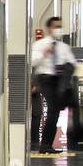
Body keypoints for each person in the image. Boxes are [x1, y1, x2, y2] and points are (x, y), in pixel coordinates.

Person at [30, 16, 75, 154]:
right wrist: (44, 54)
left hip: (59, 80)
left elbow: (72, 62)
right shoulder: (39, 44)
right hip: (45, 78)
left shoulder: (64, 47)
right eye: (56, 26)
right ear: (49, 28)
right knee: (53, 109)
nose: (58, 29)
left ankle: (46, 144)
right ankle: (44, 145)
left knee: (55, 111)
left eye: (60, 26)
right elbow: (32, 62)